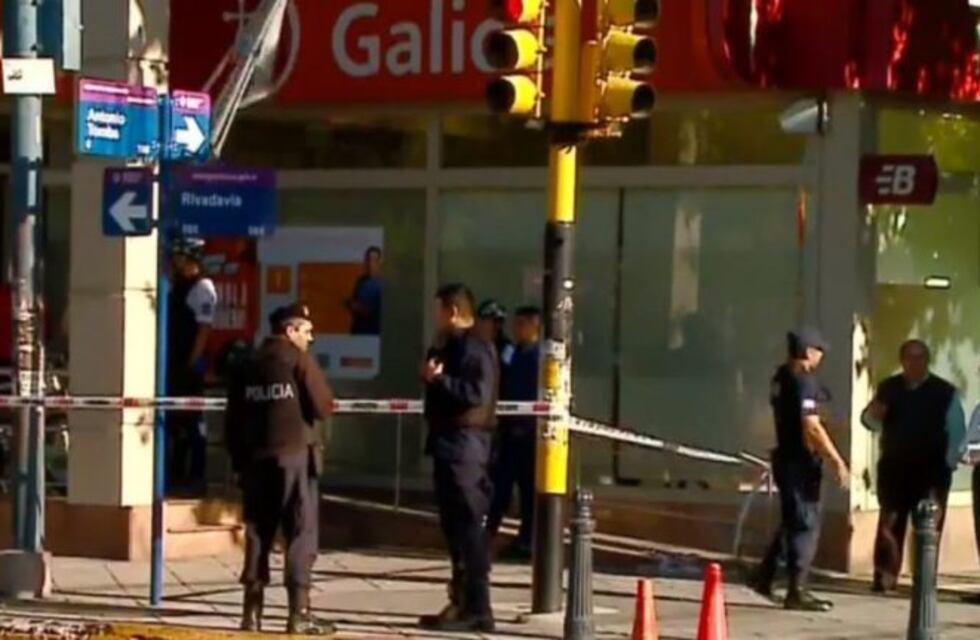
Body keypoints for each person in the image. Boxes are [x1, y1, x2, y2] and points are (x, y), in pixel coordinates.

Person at [224, 303, 334, 635]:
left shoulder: (247, 365)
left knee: (258, 533)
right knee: (301, 533)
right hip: (295, 459)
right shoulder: (298, 359)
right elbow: (323, 406)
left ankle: (251, 613)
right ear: (289, 331)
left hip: (256, 462)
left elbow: (232, 420)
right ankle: (299, 614)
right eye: (306, 330)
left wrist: (240, 462)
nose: (310, 337)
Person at [751, 328, 849, 612]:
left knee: (793, 519)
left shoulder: (781, 378)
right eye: (819, 350)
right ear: (808, 352)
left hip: (785, 457)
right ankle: (797, 590)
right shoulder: (804, 381)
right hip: (800, 461)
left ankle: (764, 576)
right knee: (805, 523)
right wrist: (836, 461)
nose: (821, 356)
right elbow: (812, 426)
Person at [419, 284, 499, 633]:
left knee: (469, 528)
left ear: (453, 311)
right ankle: (460, 599)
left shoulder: (474, 347)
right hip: (448, 445)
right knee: (454, 530)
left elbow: (476, 394)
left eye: (439, 311)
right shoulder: (449, 346)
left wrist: (440, 381)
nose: (435, 319)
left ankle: (478, 608)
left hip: (466, 450)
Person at [861, 339, 965, 594]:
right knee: (890, 523)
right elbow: (870, 422)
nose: (914, 363)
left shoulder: (944, 391)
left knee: (929, 526)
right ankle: (885, 577)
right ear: (902, 361)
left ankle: (924, 580)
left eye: (919, 358)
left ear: (927, 361)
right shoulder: (889, 388)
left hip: (931, 472)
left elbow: (957, 430)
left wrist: (949, 463)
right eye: (909, 357)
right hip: (895, 468)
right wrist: (874, 416)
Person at [486, 305, 541, 561]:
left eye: (522, 324)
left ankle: (526, 541)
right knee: (501, 486)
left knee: (529, 491)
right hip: (509, 430)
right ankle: (487, 536)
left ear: (535, 326)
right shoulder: (512, 352)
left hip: (529, 433)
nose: (517, 329)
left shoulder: (539, 357)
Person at [167, 237, 218, 495]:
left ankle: (197, 476)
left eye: (179, 257)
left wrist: (191, 362)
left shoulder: (202, 288)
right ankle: (175, 474)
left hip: (188, 366)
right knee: (174, 422)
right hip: (172, 363)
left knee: (193, 422)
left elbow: (203, 330)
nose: (175, 262)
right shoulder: (175, 285)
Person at [346, 246, 383, 335]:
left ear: (379, 262)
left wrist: (359, 308)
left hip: (374, 333)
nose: (370, 264)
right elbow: (355, 302)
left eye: (374, 260)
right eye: (368, 260)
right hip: (358, 331)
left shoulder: (384, 284)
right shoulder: (361, 282)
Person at [476, 299, 514, 368]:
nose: (496, 325)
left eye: (499, 321)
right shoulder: (470, 343)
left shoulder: (507, 347)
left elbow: (508, 371)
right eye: (492, 321)